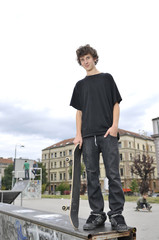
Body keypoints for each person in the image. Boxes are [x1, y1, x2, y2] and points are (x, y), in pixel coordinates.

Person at [70, 44, 127, 232]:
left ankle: (117, 215)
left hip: (107, 134)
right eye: (82, 60)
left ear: (94, 58)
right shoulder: (80, 85)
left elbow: (115, 104)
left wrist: (114, 127)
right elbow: (79, 112)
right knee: (92, 175)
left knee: (113, 175)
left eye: (88, 58)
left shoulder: (106, 78)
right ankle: (97, 214)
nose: (85, 62)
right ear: (80, 63)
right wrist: (78, 135)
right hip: (87, 136)